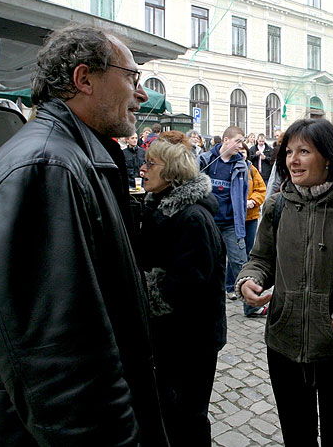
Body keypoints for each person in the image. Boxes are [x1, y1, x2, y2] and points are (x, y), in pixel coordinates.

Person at [0, 25, 168, 445]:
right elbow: (58, 362)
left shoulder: (72, 154)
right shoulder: (48, 166)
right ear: (84, 79)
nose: (141, 94)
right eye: (131, 77)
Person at [236, 118, 333, 446]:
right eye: (289, 151)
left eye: (304, 151)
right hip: (284, 345)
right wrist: (251, 279)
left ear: (329, 156)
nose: (293, 159)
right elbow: (262, 258)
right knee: (296, 435)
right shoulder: (277, 205)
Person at [139, 131, 226, 446]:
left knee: (188, 417)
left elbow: (190, 282)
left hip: (192, 339)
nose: (142, 169)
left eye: (151, 163)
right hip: (173, 334)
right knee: (171, 413)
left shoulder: (191, 217)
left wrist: (145, 290)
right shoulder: (160, 205)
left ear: (172, 171)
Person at [198, 127, 257, 314]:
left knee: (241, 264)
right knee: (208, 266)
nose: (241, 146)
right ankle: (205, 307)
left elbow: (242, 195)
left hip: (231, 224)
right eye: (238, 141)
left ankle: (251, 306)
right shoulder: (205, 160)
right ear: (225, 140)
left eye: (243, 142)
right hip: (209, 224)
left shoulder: (242, 165)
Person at [239, 144, 267, 256]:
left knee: (249, 248)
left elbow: (261, 189)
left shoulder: (252, 169)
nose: (241, 154)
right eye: (238, 152)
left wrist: (253, 201)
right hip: (234, 217)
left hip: (251, 216)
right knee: (236, 252)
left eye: (243, 152)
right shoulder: (229, 169)